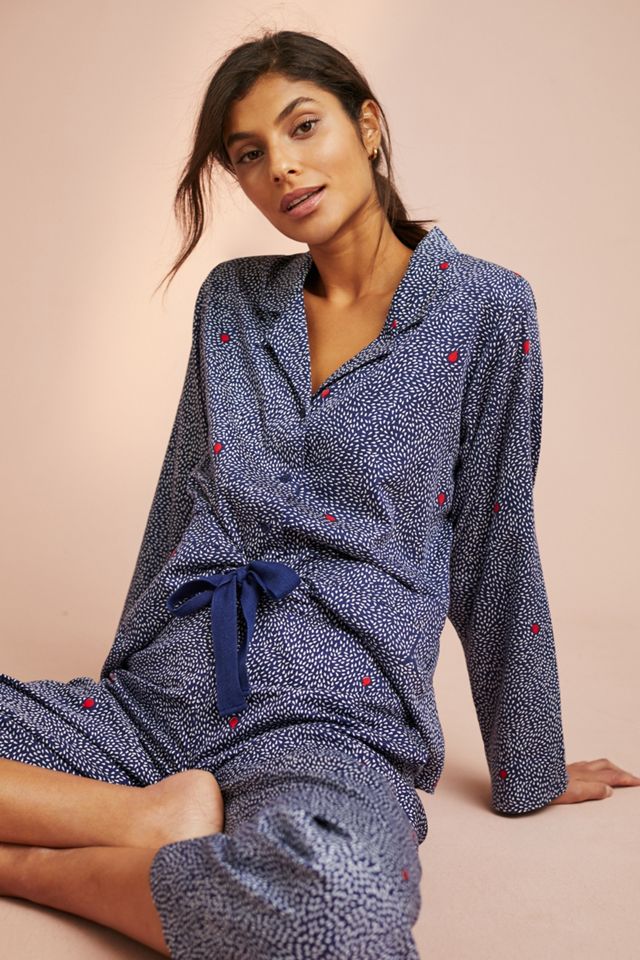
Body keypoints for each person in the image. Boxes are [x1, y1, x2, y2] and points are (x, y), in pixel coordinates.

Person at [1, 27, 638, 960]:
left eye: (304, 128)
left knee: (340, 907)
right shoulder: (232, 301)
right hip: (167, 692)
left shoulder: (487, 309)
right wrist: (119, 686)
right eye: (248, 154)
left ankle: (35, 866)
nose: (282, 169)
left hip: (331, 719)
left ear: (368, 125)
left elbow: (495, 545)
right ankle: (138, 816)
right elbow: (181, 498)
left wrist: (528, 764)